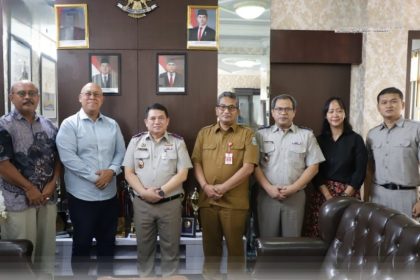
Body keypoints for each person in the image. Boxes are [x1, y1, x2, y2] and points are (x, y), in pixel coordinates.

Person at [56, 82, 126, 275]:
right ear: (80, 97)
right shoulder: (69, 124)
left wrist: (111, 171)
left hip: (109, 197)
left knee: (107, 246)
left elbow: (121, 152)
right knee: (82, 245)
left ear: (102, 99)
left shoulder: (112, 125)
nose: (92, 97)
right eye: (88, 93)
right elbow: (68, 157)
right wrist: (95, 177)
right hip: (82, 197)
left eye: (96, 94)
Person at [191, 91, 258, 277]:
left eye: (231, 107)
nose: (226, 111)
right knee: (210, 251)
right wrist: (205, 186)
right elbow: (196, 162)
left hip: (234, 204)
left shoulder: (247, 134)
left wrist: (223, 188)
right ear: (216, 110)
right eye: (223, 106)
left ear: (237, 110)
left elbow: (249, 167)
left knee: (236, 251)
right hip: (208, 201)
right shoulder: (204, 133)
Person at [123, 103, 192, 277]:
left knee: (171, 250)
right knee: (144, 251)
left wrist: (161, 192)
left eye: (161, 118)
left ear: (167, 121)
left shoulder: (177, 142)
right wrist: (144, 192)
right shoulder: (135, 141)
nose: (157, 122)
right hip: (142, 204)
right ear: (146, 122)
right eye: (152, 118)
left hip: (170, 204)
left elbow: (183, 174)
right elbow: (129, 173)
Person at [0, 80, 60, 276]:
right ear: (11, 97)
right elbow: (3, 164)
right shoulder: (4, 125)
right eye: (22, 93)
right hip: (18, 201)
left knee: (46, 254)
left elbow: (59, 158)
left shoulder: (49, 125)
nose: (28, 97)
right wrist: (29, 188)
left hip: (47, 199)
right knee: (21, 255)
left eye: (32, 93)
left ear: (38, 97)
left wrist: (53, 183)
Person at [255, 94, 324, 238]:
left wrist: (294, 188)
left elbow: (313, 167)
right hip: (267, 196)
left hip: (295, 196)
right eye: (279, 109)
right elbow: (253, 165)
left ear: (294, 112)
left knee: (292, 242)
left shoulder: (306, 135)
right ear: (272, 112)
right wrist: (269, 188)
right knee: (267, 242)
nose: (283, 113)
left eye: (287, 109)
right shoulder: (260, 135)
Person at [305, 97, 368, 237]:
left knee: (347, 235)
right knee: (321, 233)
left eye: (339, 111)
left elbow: (360, 171)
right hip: (323, 194)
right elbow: (315, 170)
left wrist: (345, 196)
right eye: (331, 111)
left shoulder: (355, 139)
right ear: (326, 115)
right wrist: (328, 196)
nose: (335, 115)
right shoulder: (319, 140)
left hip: (349, 192)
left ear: (345, 114)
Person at [366, 87, 420, 218]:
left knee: (406, 237)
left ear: (403, 104)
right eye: (384, 102)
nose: (389, 105)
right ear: (378, 107)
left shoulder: (416, 129)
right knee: (377, 236)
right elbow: (369, 169)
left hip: (406, 196)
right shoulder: (372, 134)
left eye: (393, 101)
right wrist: (366, 198)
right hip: (377, 195)